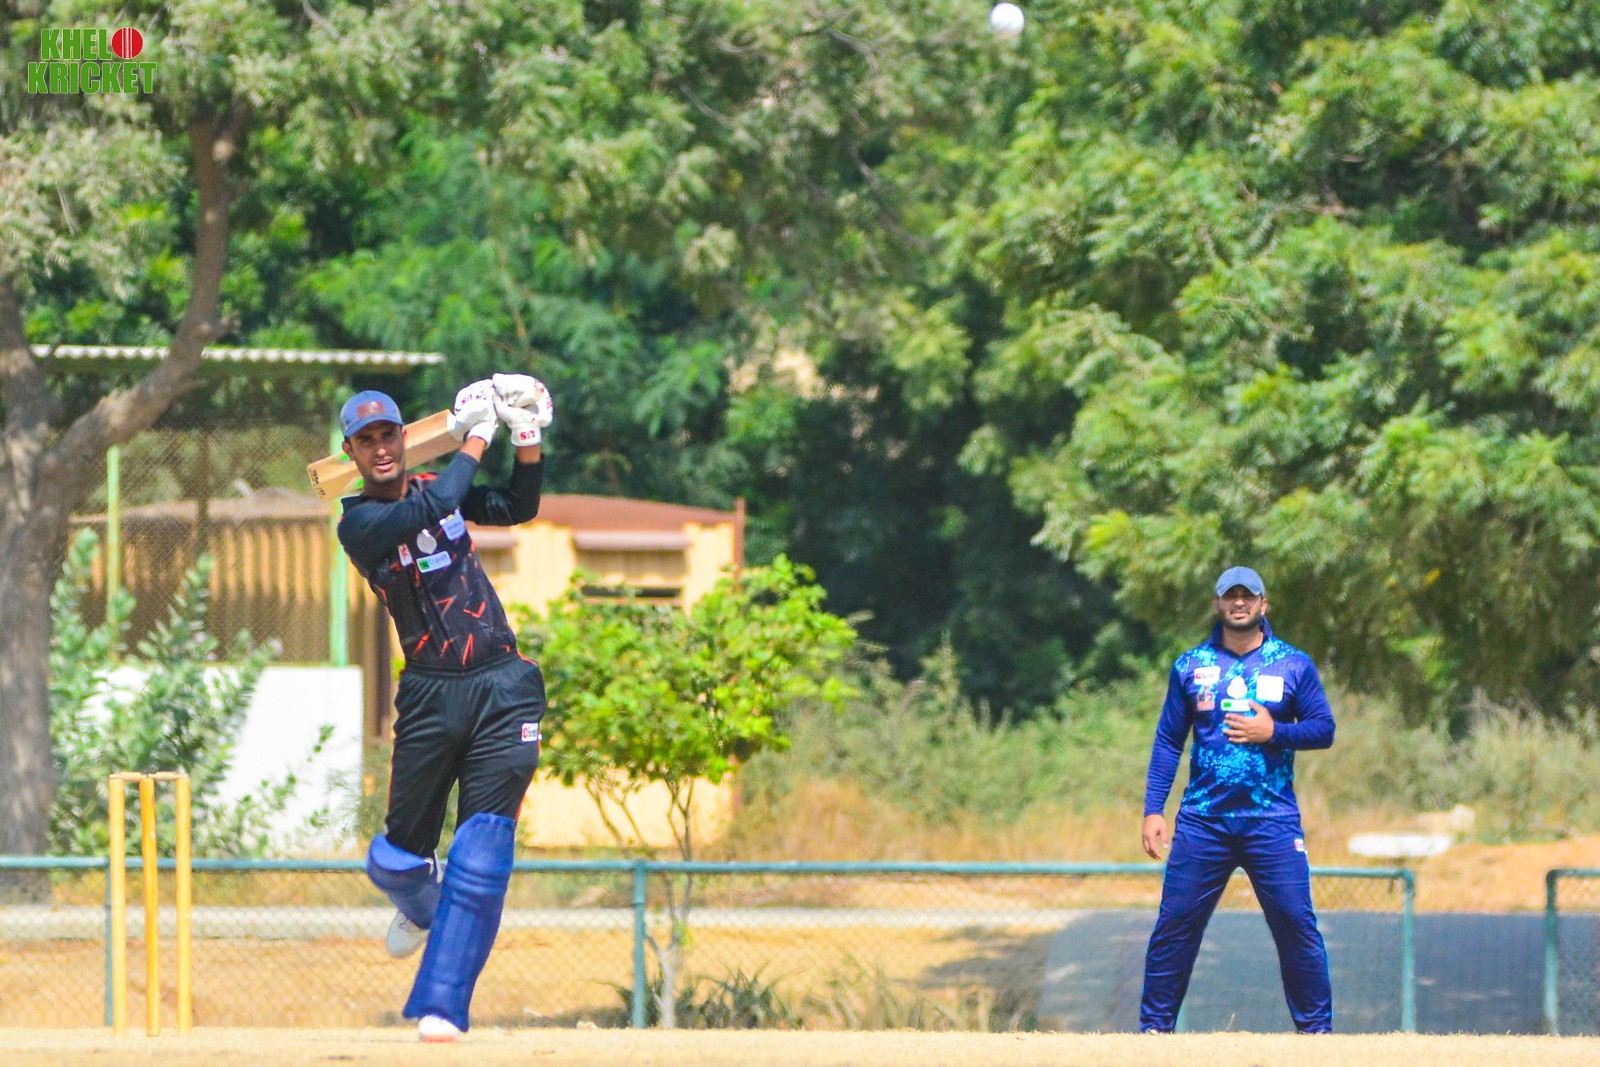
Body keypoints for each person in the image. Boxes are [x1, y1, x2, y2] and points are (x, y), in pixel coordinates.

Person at [338, 375, 554, 1042]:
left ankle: (443, 1008)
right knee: (394, 860)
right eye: (367, 440)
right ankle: (421, 899)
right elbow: (437, 504)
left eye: (389, 435)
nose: (381, 448)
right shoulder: (359, 524)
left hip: (502, 685)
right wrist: (478, 433)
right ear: (351, 452)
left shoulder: (437, 486)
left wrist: (524, 435)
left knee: (482, 855)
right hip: (431, 695)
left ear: (405, 438)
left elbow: (516, 505)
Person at [1138, 565, 1336, 1034]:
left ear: (1264, 605)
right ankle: (1153, 1034)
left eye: (1249, 596)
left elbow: (1323, 729)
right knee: (1175, 926)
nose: (1240, 602)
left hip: (1272, 819)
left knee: (1296, 924)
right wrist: (1153, 809)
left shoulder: (1293, 664)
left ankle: (1317, 1035)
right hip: (1203, 820)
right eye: (1231, 596)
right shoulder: (1191, 666)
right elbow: (1168, 741)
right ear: (1218, 604)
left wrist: (1274, 732)